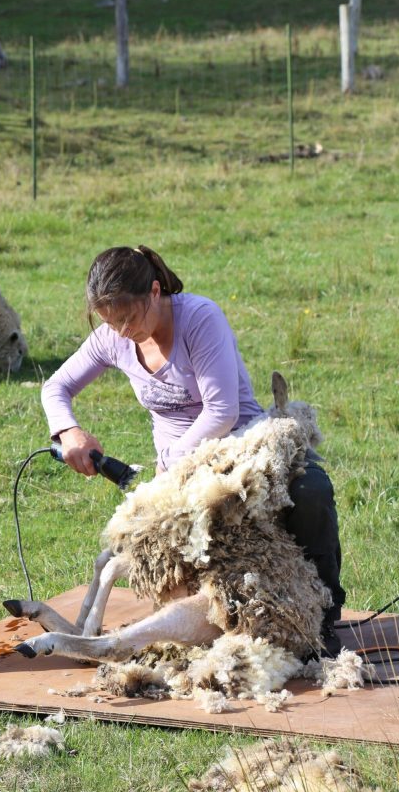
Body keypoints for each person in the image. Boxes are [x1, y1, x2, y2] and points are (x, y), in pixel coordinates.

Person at [41, 245, 345, 657]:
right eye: (110, 322)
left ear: (154, 292)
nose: (122, 331)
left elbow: (221, 411)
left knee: (311, 492)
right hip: (178, 472)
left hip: (241, 449)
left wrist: (170, 468)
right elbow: (56, 387)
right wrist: (69, 431)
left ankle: (323, 616)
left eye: (129, 319)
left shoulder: (200, 318)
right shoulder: (114, 338)